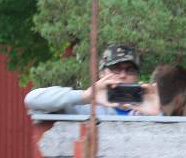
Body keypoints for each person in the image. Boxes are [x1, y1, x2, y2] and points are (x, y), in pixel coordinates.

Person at [23, 44, 159, 116]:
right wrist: (85, 96)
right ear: (101, 73)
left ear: (137, 76)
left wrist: (160, 113)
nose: (123, 75)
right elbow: (32, 100)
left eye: (130, 70)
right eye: (116, 69)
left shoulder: (148, 109)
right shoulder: (85, 107)